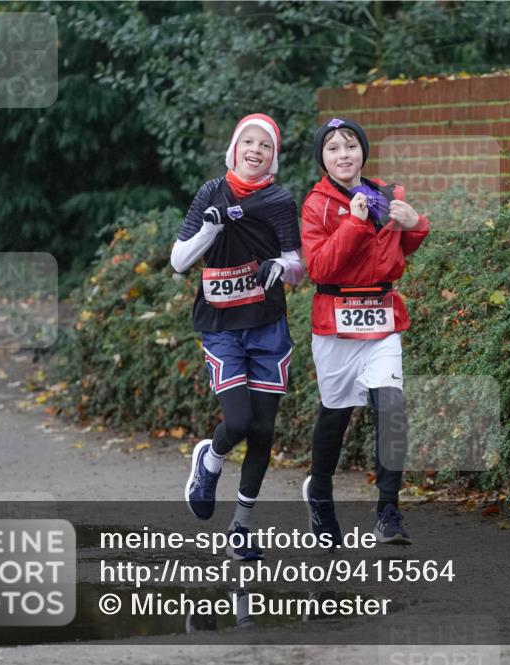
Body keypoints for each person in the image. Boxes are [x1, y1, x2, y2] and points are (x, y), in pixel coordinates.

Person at [173, 113, 304, 560]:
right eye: (248, 141)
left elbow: (298, 265)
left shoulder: (280, 200)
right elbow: (177, 260)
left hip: (267, 326)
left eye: (264, 145)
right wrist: (209, 230)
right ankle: (211, 458)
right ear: (234, 148)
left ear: (273, 157)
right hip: (221, 326)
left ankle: (241, 528)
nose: (255, 150)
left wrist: (280, 268)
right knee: (241, 422)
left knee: (264, 432)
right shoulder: (211, 192)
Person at [299, 117, 430, 546]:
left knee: (392, 408)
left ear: (362, 152)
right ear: (323, 157)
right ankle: (320, 494)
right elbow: (319, 267)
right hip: (334, 322)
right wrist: (353, 224)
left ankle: (388, 510)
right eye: (333, 148)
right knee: (336, 415)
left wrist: (416, 225)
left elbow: (397, 249)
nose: (343, 154)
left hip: (381, 315)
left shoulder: (388, 194)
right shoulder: (316, 204)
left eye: (350, 145)